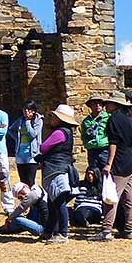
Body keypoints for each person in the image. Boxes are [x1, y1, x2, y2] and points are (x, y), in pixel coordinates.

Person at [91, 93, 132, 242]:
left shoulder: (113, 119)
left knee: (111, 197)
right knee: (130, 198)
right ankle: (129, 229)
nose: (106, 105)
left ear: (116, 105)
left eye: (109, 103)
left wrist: (109, 163)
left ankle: (106, 230)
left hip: (119, 164)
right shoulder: (129, 120)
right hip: (131, 163)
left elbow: (113, 143)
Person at [37, 103, 78, 244]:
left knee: (59, 201)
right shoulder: (66, 132)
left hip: (57, 169)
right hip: (59, 167)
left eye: (54, 116)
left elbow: (43, 147)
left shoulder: (59, 132)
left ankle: (62, 233)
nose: (51, 118)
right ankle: (49, 231)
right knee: (52, 202)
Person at [10, 101, 44, 186]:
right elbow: (11, 130)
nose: (26, 112)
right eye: (24, 109)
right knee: (23, 182)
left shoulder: (38, 121)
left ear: (33, 111)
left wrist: (28, 122)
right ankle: (25, 199)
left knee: (30, 181)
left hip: (32, 155)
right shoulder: (20, 120)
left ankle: (33, 198)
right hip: (20, 154)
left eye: (29, 110)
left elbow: (33, 134)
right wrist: (17, 139)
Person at [81, 96, 111, 171]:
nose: (97, 105)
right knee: (94, 171)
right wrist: (87, 144)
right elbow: (84, 135)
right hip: (92, 150)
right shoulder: (86, 121)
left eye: (99, 104)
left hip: (104, 149)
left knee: (106, 172)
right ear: (90, 106)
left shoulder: (108, 118)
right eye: (94, 104)